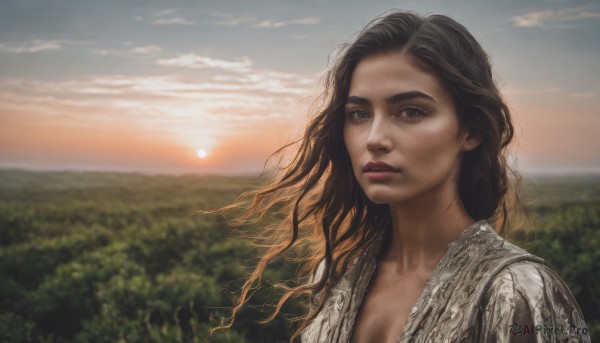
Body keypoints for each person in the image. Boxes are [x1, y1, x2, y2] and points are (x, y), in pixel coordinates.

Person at [214, 11, 590, 343]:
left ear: (471, 130)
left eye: (410, 112)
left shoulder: (520, 291)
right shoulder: (335, 274)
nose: (375, 139)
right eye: (359, 114)